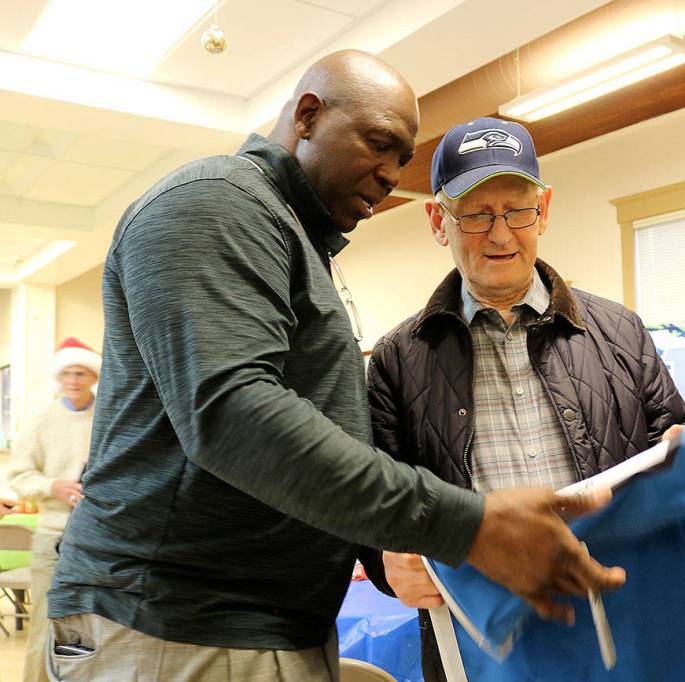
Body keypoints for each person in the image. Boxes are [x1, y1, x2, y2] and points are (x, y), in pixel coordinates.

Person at [46, 52, 623, 682]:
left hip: (262, 627)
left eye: (403, 159)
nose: (388, 174)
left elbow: (322, 453)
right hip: (178, 626)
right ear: (308, 115)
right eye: (379, 144)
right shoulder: (216, 202)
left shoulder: (293, 240)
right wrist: (467, 525)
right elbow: (233, 414)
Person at [365, 117, 685, 681]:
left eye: (517, 211)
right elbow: (378, 513)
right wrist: (389, 566)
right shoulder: (396, 361)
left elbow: (677, 450)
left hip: (622, 620)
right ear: (438, 220)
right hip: (487, 637)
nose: (502, 234)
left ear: (545, 210)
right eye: (478, 215)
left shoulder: (619, 331)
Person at [7, 338, 99, 682]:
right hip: (53, 535)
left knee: (96, 628)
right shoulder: (42, 419)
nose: (73, 380)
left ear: (93, 376)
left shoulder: (109, 413)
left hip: (101, 537)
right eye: (67, 374)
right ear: (58, 378)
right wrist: (54, 486)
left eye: (81, 373)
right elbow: (18, 476)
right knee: (45, 624)